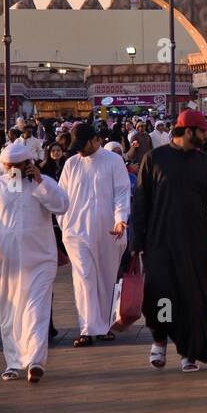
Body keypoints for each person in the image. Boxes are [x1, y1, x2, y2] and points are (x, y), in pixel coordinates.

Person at [131, 109, 207, 373]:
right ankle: (160, 341)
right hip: (159, 242)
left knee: (193, 299)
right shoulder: (155, 159)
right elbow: (140, 203)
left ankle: (190, 351)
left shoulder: (205, 163)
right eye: (202, 131)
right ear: (188, 131)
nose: (206, 135)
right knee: (162, 296)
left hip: (194, 242)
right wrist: (136, 244)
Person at [0, 142, 69, 384]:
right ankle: (13, 363)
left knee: (37, 311)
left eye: (20, 166)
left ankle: (35, 361)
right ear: (4, 166)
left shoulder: (43, 183)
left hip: (40, 259)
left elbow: (62, 205)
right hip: (5, 261)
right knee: (10, 313)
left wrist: (40, 181)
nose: (14, 170)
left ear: (29, 163)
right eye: (10, 166)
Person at [57, 122, 132, 348]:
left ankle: (105, 325)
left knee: (106, 277)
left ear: (96, 140)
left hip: (109, 231)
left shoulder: (113, 161)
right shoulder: (71, 164)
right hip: (76, 232)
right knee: (84, 277)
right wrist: (65, 225)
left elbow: (121, 193)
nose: (80, 150)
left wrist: (121, 220)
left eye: (83, 145)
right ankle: (87, 328)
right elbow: (61, 198)